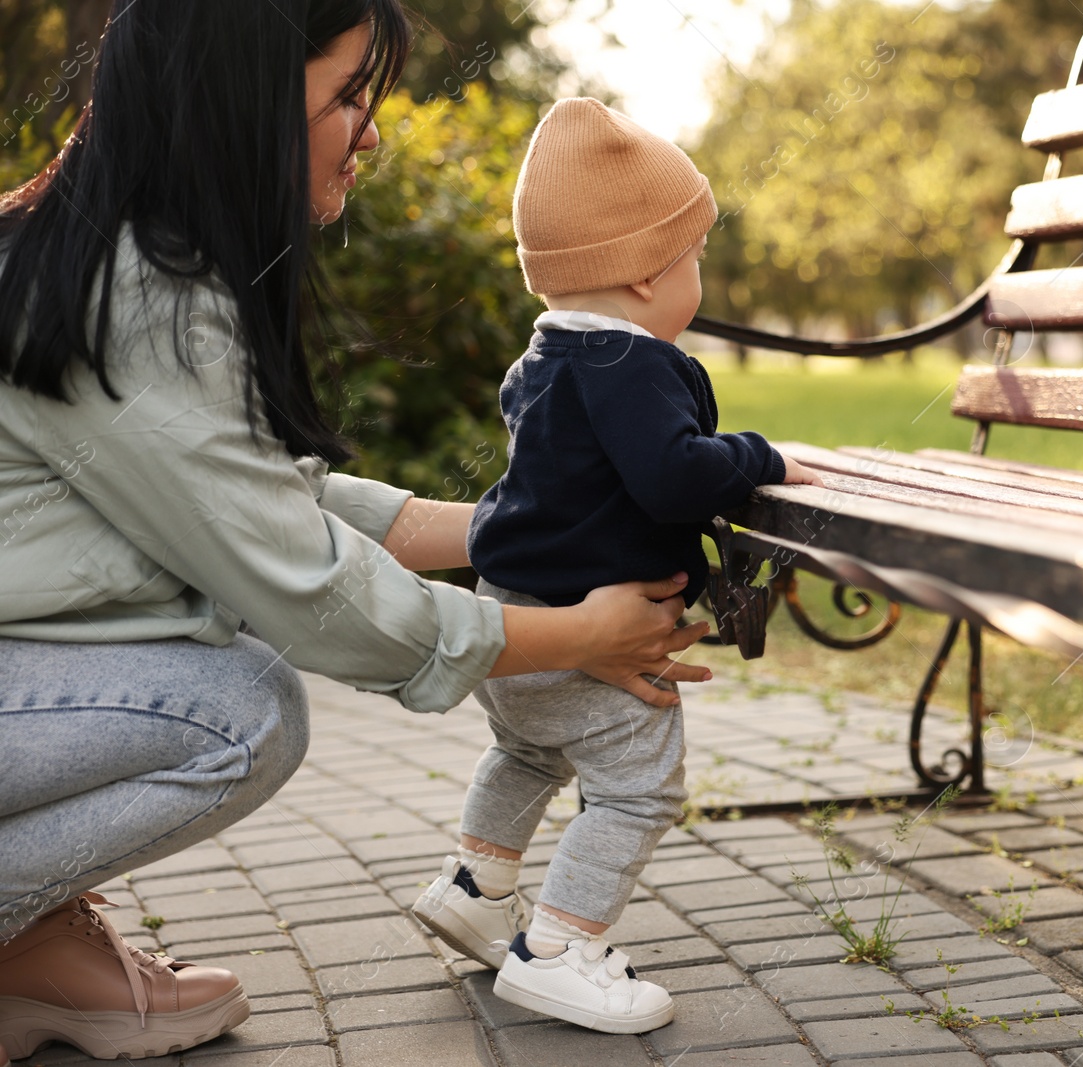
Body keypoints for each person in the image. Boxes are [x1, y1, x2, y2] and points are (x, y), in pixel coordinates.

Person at [0, 5, 709, 1064]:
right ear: (244, 104)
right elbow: (306, 586)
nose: (371, 133)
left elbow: (271, 503)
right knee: (241, 707)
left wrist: (529, 531)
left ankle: (31, 938)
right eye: (346, 98)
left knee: (226, 686)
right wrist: (582, 635)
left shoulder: (110, 258)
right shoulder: (130, 297)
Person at [410, 98, 821, 1035]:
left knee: (525, 749)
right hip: (583, 635)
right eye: (694, 257)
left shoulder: (546, 356)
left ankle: (476, 886)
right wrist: (758, 455)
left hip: (515, 621)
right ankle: (559, 949)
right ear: (643, 275)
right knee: (639, 784)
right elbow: (675, 477)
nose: (699, 276)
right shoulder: (630, 366)